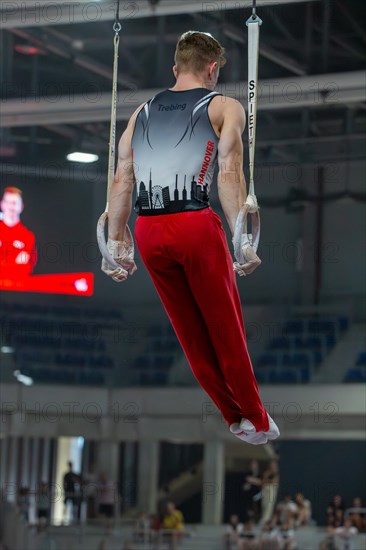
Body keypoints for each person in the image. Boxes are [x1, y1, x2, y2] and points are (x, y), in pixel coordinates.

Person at [101, 30, 280, 446]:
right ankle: (254, 416)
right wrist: (243, 240)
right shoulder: (222, 106)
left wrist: (114, 245)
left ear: (175, 68)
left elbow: (122, 179)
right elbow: (229, 175)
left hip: (148, 232)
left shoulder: (140, 112)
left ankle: (232, 416)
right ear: (213, 68)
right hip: (194, 226)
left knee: (189, 335)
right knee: (225, 327)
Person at [0, 186, 37, 279]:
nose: (10, 207)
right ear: (2, 204)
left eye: (14, 203)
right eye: (7, 202)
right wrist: (14, 263)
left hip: (17, 289)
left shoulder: (28, 236)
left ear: (21, 206)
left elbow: (26, 268)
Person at [260, 461, 280, 526]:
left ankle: (266, 519)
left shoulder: (277, 473)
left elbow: (275, 482)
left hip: (272, 491)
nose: (272, 466)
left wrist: (268, 482)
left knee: (270, 502)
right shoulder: (267, 473)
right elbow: (263, 484)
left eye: (274, 465)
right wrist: (267, 477)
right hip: (265, 492)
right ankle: (265, 519)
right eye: (271, 465)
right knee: (265, 504)